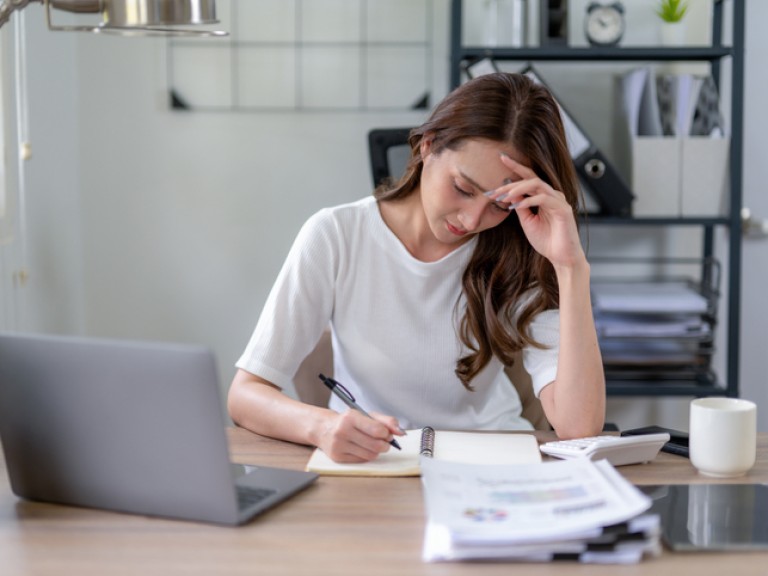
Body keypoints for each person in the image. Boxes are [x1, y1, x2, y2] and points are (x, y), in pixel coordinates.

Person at [228, 72, 605, 464]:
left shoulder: (519, 250)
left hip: (493, 464)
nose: (473, 220)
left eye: (500, 204)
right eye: (462, 188)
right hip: (374, 463)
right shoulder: (336, 235)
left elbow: (579, 429)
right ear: (428, 145)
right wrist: (320, 426)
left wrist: (570, 266)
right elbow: (245, 395)